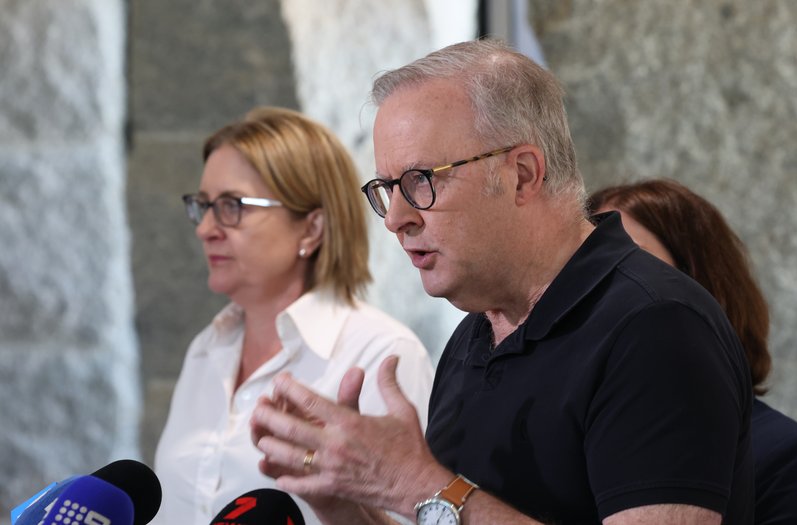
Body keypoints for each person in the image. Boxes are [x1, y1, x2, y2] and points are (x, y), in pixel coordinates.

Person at [249, 39, 754, 524]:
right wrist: (349, 503)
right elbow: (444, 517)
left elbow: (435, 497)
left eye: (421, 180)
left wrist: (412, 482)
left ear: (523, 174)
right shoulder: (474, 334)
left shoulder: (656, 325)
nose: (396, 218)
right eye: (387, 188)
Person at [152, 106, 435, 525]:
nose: (205, 228)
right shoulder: (206, 349)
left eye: (231, 206)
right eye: (203, 205)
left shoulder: (381, 355)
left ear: (311, 228)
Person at [589, 178, 797, 525]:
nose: (597, 289)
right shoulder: (575, 438)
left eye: (625, 263)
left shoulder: (789, 458)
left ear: (700, 283)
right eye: (589, 267)